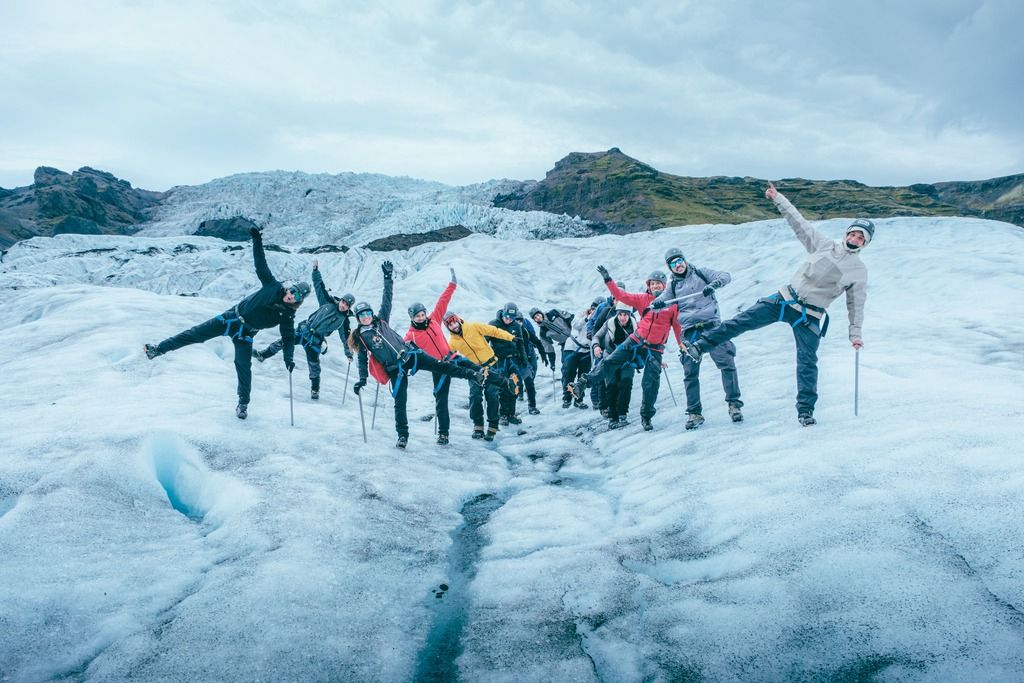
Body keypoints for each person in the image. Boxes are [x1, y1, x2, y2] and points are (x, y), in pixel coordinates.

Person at [683, 183, 871, 426]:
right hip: (785, 299)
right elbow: (799, 222)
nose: (855, 238)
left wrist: (855, 334)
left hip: (809, 316)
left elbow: (856, 305)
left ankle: (805, 411)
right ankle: (700, 346)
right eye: (853, 233)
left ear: (865, 243)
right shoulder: (823, 245)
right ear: (847, 233)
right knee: (741, 322)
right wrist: (777, 198)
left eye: (861, 237)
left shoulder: (858, 271)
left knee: (807, 362)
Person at [144, 227, 309, 420]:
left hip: (245, 334)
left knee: (243, 366)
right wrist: (257, 240)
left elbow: (288, 339)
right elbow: (260, 265)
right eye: (293, 290)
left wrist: (288, 360)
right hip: (229, 319)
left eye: (297, 295)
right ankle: (158, 350)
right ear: (290, 288)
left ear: (300, 300)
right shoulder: (273, 287)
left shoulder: (287, 316)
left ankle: (243, 404)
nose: (292, 295)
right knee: (194, 334)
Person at [349, 261, 482, 449]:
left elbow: (387, 299)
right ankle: (402, 435)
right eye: (362, 315)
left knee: (441, 366)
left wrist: (388, 278)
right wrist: (362, 379)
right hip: (395, 369)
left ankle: (473, 375)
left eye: (368, 313)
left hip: (410, 356)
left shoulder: (382, 321)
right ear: (358, 318)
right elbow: (362, 361)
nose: (366, 317)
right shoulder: (362, 337)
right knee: (400, 401)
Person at [652, 248, 743, 430]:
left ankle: (734, 405)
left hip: (712, 326)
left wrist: (714, 284)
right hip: (690, 331)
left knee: (727, 363)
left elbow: (725, 276)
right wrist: (658, 302)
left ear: (684, 260)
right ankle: (695, 413)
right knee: (690, 372)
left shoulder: (701, 273)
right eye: (673, 264)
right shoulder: (672, 287)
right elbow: (658, 304)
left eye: (679, 261)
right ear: (670, 268)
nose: (677, 266)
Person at [591, 267, 682, 431]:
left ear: (664, 285)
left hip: (656, 348)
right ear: (649, 285)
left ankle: (646, 416)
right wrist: (608, 280)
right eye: (653, 284)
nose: (655, 286)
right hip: (637, 340)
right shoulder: (642, 299)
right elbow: (621, 296)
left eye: (658, 284)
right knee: (610, 361)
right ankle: (586, 381)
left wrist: (682, 345)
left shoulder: (672, 305)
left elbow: (677, 327)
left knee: (650, 384)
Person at [253, 259, 355, 400]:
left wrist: (348, 353)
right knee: (283, 342)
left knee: (314, 365)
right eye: (343, 301)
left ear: (349, 308)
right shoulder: (327, 302)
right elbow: (319, 286)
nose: (343, 305)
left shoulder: (343, 321)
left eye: (347, 305)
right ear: (341, 300)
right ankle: (263, 355)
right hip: (304, 330)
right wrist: (315, 271)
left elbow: (345, 339)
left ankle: (315, 389)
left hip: (315, 340)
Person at [403, 268, 462, 445]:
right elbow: (402, 349)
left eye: (423, 314)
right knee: (441, 399)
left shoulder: (435, 319)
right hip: (438, 367)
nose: (421, 318)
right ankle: (444, 433)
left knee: (476, 373)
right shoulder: (410, 336)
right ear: (412, 318)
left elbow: (442, 302)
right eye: (418, 316)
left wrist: (452, 285)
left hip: (453, 358)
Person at [443, 311, 516, 441]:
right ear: (447, 327)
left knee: (492, 395)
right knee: (475, 397)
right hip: (475, 370)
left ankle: (493, 426)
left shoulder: (474, 327)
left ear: (458, 320)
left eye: (454, 322)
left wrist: (511, 337)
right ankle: (478, 426)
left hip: (491, 365)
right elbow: (449, 356)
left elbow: (494, 331)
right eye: (450, 325)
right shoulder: (453, 342)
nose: (454, 326)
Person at [591, 304, 637, 429]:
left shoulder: (635, 325)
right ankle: (613, 417)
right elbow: (596, 336)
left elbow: (643, 341)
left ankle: (622, 414)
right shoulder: (609, 323)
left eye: (625, 315)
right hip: (610, 358)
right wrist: (596, 346)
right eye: (620, 314)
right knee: (611, 386)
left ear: (629, 315)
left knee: (626, 384)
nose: (623, 317)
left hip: (627, 360)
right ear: (617, 314)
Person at [488, 303, 531, 425]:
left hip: (512, 360)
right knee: (502, 386)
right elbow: (485, 342)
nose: (509, 320)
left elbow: (520, 343)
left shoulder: (516, 326)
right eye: (507, 317)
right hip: (498, 361)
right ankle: (502, 415)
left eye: (511, 318)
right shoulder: (493, 324)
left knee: (516, 384)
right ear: (503, 313)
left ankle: (511, 414)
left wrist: (524, 358)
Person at [516, 310, 549, 415]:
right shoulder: (506, 332)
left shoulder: (525, 330)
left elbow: (537, 341)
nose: (518, 323)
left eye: (520, 321)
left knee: (529, 382)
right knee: (513, 385)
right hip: (512, 362)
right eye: (516, 321)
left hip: (525, 361)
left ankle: (532, 407)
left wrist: (543, 354)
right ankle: (508, 412)